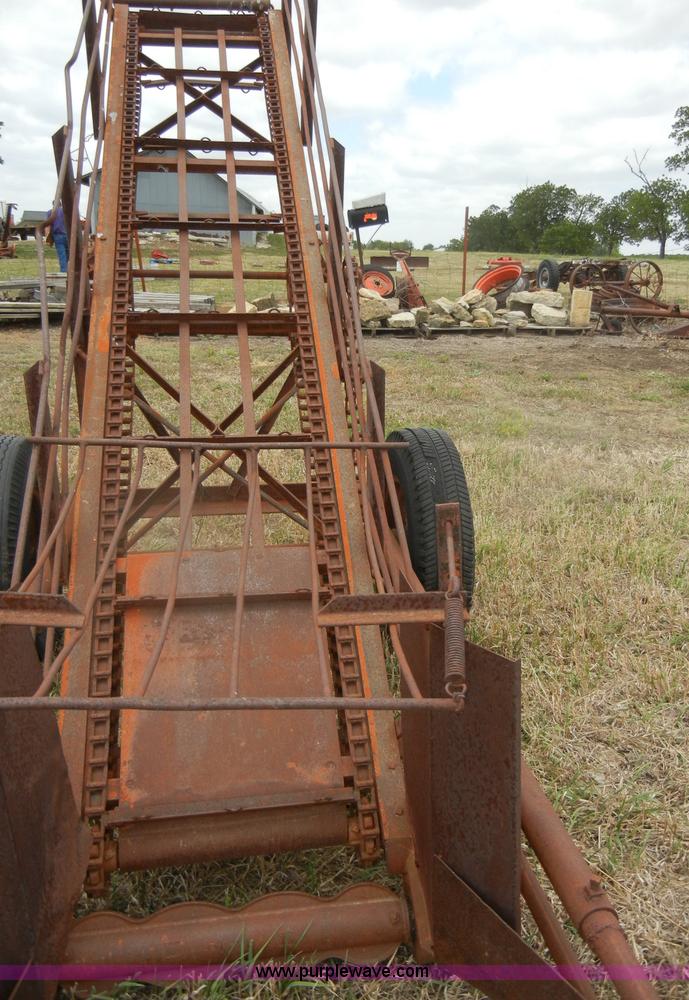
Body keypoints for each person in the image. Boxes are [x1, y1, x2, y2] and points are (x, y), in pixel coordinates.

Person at [44, 204, 69, 272]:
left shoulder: (50, 212)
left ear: (53, 204)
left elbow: (47, 225)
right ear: (61, 204)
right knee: (68, 254)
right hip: (68, 235)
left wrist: (47, 238)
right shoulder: (66, 210)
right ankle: (69, 270)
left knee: (62, 255)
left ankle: (64, 272)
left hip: (57, 235)